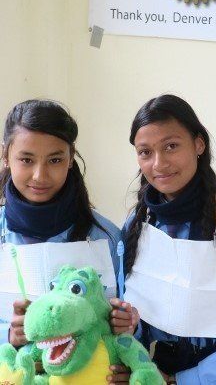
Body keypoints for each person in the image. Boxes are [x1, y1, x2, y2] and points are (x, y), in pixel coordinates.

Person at [113, 94, 216, 385]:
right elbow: (136, 322)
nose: (159, 163)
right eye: (145, 152)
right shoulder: (136, 226)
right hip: (158, 373)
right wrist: (131, 337)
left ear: (199, 144)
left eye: (171, 146)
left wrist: (181, 381)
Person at [0, 98, 128, 384]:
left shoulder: (105, 237)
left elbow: (129, 323)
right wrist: (9, 335)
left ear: (71, 159)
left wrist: (129, 330)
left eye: (55, 160)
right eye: (26, 159)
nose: (40, 175)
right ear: (5, 156)